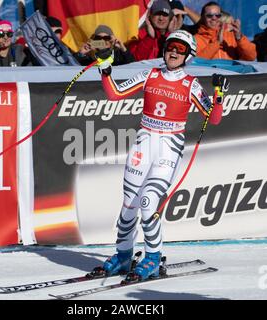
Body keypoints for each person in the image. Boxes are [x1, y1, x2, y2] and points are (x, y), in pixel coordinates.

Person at [96, 30, 229, 280]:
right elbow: (115, 94)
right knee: (128, 205)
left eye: (180, 49)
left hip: (168, 147)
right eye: (170, 47)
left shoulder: (190, 84)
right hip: (143, 143)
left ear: (188, 55)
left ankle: (153, 258)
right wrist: (104, 67)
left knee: (148, 204)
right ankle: (124, 255)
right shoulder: (151, 74)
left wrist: (219, 95)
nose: (174, 52)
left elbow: (214, 118)